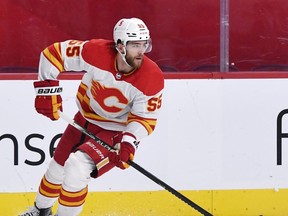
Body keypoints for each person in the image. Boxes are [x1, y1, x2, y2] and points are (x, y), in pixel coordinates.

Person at [19, 17, 164, 216]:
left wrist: (128, 143)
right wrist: (46, 92)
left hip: (115, 131)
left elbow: (144, 118)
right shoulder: (96, 52)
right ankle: (39, 210)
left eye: (144, 44)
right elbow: (52, 54)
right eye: (135, 45)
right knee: (57, 168)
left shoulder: (151, 77)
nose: (141, 51)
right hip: (84, 119)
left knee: (76, 168)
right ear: (120, 45)